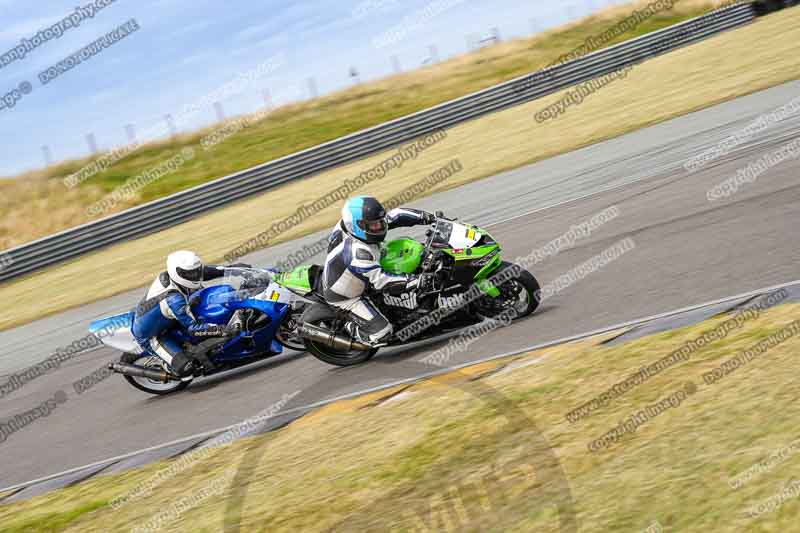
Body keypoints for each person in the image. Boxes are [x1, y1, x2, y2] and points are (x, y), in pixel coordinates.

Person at [322, 196, 435, 345]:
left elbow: (396, 215)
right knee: (383, 333)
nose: (379, 227)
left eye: (379, 222)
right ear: (356, 226)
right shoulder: (357, 252)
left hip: (357, 274)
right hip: (347, 296)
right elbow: (382, 281)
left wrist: (428, 218)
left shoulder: (352, 225)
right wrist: (416, 281)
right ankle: (350, 328)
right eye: (373, 225)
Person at [132, 250, 250, 377]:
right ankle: (169, 368)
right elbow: (193, 329)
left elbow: (204, 272)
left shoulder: (177, 277)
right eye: (191, 273)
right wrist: (225, 330)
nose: (196, 275)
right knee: (186, 368)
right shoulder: (174, 300)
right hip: (153, 336)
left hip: (169, 318)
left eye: (196, 271)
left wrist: (233, 269)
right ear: (177, 273)